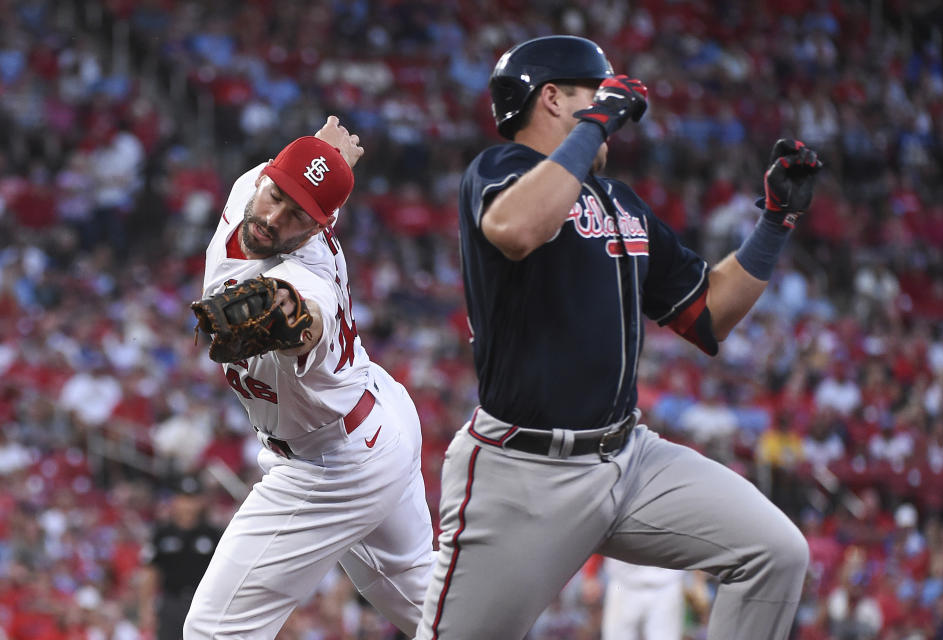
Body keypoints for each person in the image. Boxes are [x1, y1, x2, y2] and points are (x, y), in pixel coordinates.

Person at [415, 35, 821, 640]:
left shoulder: (617, 200)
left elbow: (710, 314)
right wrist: (598, 123)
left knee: (775, 553)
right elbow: (516, 227)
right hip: (526, 471)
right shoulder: (499, 170)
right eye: (594, 93)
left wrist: (774, 223)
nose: (612, 113)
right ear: (552, 99)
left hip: (629, 458)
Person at [184, 116, 435, 639]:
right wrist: (326, 154)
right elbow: (301, 175)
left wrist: (287, 317)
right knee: (433, 613)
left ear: (321, 228)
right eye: (275, 194)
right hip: (374, 414)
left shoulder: (306, 277)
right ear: (264, 177)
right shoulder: (250, 189)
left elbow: (308, 319)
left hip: (334, 463)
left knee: (214, 631)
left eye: (297, 215)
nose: (274, 218)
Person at [138, 475, 223, 640]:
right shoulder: (161, 534)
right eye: (183, 498)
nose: (188, 505)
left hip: (202, 605)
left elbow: (222, 573)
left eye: (192, 499)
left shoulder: (214, 535)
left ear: (201, 502)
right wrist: (145, 608)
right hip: (171, 603)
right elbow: (150, 572)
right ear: (174, 500)